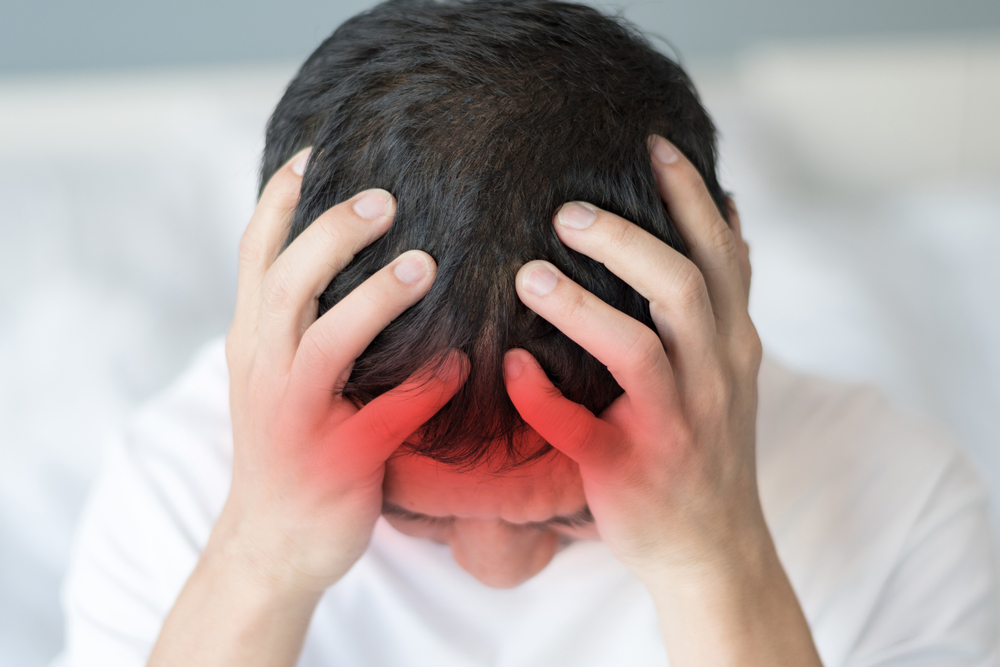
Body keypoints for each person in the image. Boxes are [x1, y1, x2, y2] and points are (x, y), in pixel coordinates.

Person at [56, 1, 998, 666]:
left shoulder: (901, 504)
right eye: (417, 512)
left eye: (565, 512)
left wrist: (713, 559)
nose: (493, 570)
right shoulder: (181, 488)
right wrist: (261, 559)